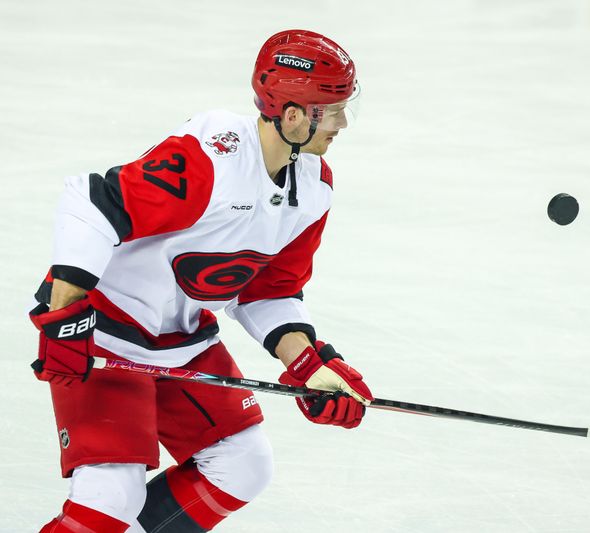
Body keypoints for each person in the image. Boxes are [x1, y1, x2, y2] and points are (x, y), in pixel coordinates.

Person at [29, 29, 373, 532]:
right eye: (331, 110)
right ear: (293, 115)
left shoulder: (313, 189)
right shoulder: (213, 156)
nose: (342, 123)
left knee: (243, 466)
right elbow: (93, 203)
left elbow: (269, 291)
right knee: (110, 496)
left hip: (182, 340)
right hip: (105, 332)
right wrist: (64, 316)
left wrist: (308, 364)